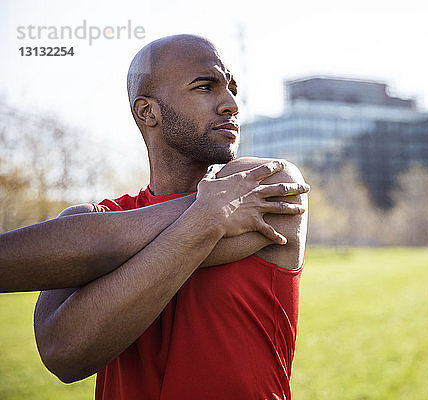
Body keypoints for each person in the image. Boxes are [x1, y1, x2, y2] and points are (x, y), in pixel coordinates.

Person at [8, 34, 308, 399]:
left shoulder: (269, 184)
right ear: (148, 112)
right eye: (205, 87)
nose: (231, 104)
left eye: (231, 87)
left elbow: (101, 244)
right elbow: (63, 356)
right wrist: (205, 219)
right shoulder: (91, 217)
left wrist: (202, 217)